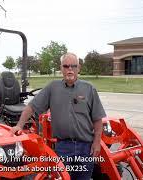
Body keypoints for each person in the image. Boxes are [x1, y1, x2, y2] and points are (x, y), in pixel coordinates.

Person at [11, 52, 106, 180]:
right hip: (63, 147)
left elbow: (97, 118)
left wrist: (97, 142)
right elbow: (32, 107)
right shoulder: (52, 88)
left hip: (86, 147)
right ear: (61, 68)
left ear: (79, 68)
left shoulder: (89, 89)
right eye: (66, 66)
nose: (70, 69)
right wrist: (19, 125)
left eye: (73, 66)